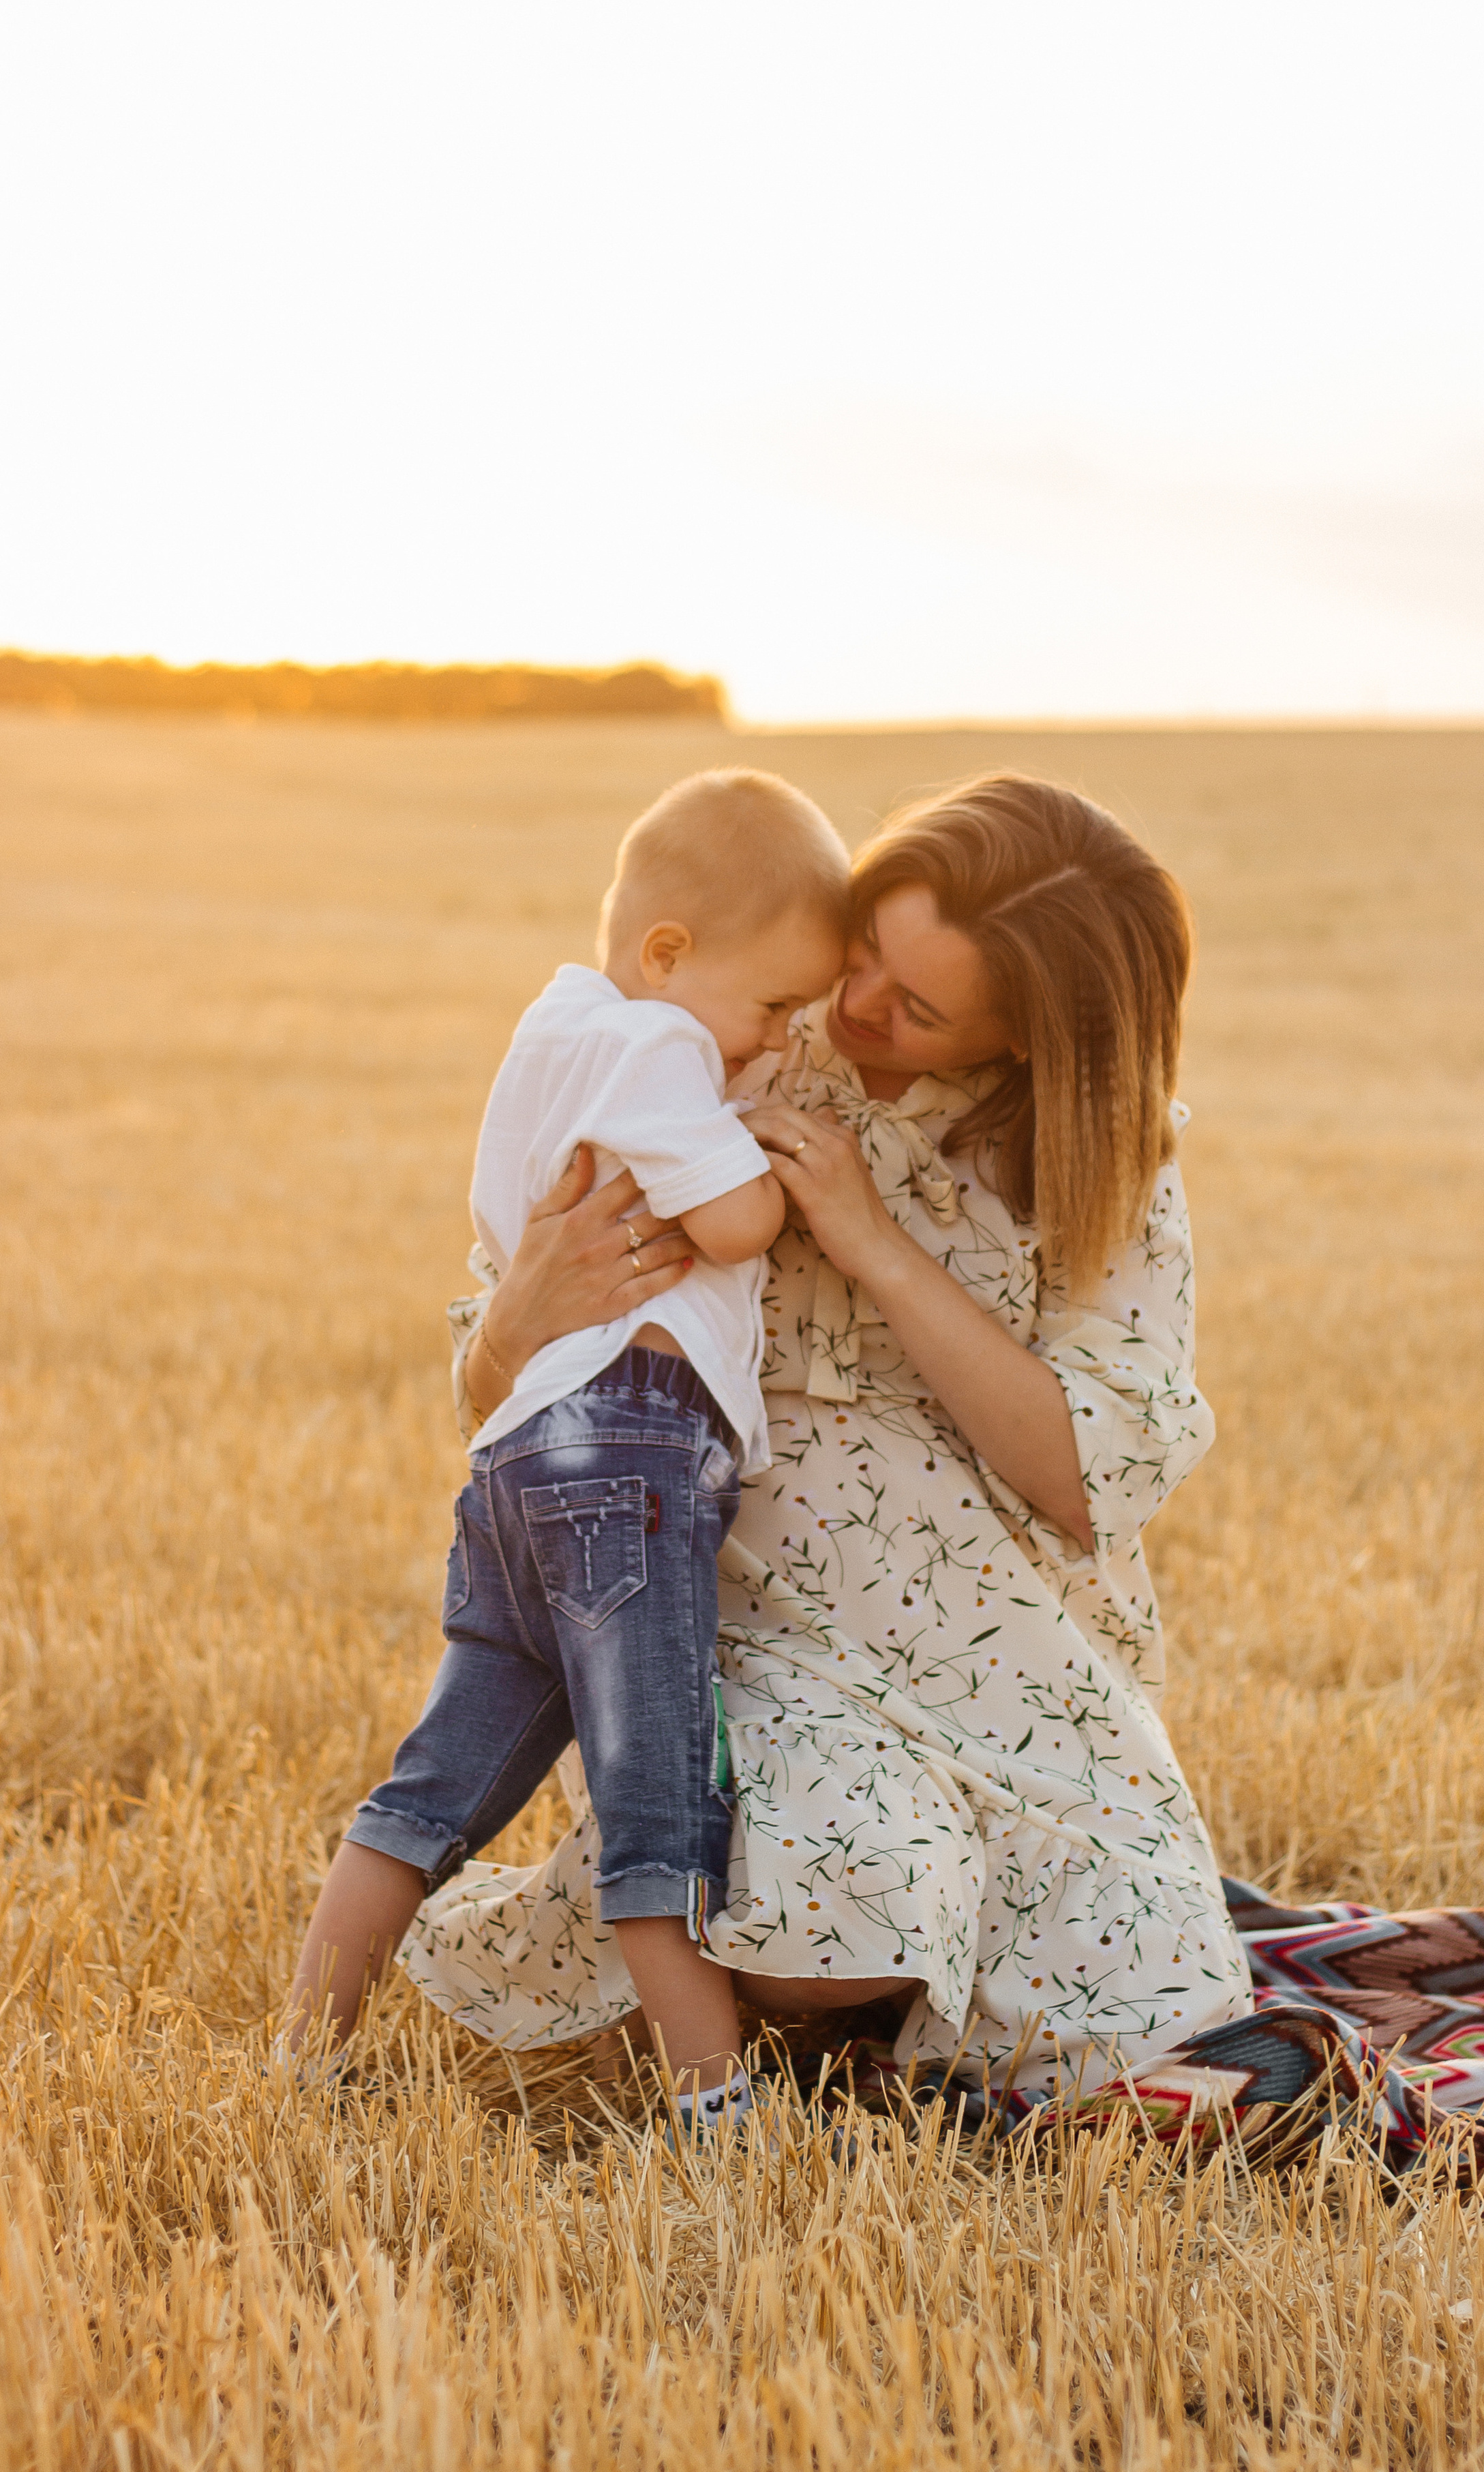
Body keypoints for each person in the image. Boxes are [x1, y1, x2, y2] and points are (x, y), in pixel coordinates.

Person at [395, 771, 1258, 2094]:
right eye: (863, 958)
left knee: (1151, 2011)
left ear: (1023, 1039)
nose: (853, 1011)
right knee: (837, 1916)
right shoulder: (730, 1031)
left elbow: (1094, 1478)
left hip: (996, 1645)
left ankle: (867, 1984)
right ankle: (782, 1985)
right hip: (743, 1610)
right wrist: (514, 1317)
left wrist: (874, 1245)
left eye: (915, 1007)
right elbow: (493, 1393)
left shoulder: (1102, 1158)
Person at [280, 768, 849, 2132]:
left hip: (523, 1455)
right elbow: (731, 1227)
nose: (778, 1033)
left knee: (432, 1788)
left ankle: (303, 2055)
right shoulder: (656, 1052)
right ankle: (719, 2107)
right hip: (630, 1459)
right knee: (657, 1795)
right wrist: (766, 1130)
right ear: (667, 956)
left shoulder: (554, 1028)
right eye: (771, 1003)